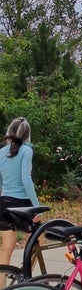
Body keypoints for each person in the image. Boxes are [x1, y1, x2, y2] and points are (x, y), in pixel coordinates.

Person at [0, 117, 40, 278]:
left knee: (6, 248)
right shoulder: (27, 151)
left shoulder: (1, 152)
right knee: (38, 241)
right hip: (24, 205)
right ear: (27, 134)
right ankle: (24, 278)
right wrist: (37, 207)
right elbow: (26, 179)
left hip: (4, 204)